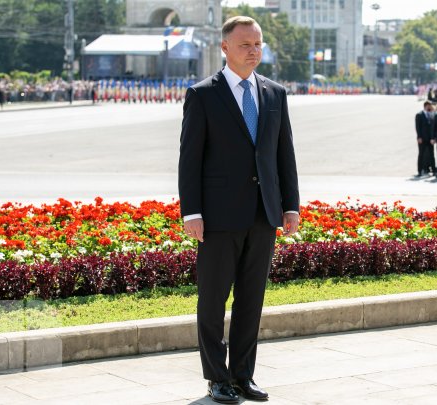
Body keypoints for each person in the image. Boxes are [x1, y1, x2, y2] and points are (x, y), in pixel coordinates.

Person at [178, 16, 300, 404]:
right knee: (212, 300)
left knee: (252, 300)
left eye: (258, 44)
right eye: (245, 44)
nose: (254, 51)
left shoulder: (274, 93)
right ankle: (216, 378)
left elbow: (284, 155)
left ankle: (242, 376)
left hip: (264, 215)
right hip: (217, 217)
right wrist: (191, 211)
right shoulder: (202, 94)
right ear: (225, 48)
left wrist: (291, 206)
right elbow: (189, 159)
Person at [415, 101, 434, 176]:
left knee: (431, 154)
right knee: (421, 154)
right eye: (429, 106)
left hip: (430, 139)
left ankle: (433, 169)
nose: (430, 107)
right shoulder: (419, 115)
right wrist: (419, 136)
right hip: (422, 138)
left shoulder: (431, 115)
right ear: (426, 106)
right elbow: (417, 127)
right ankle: (420, 170)